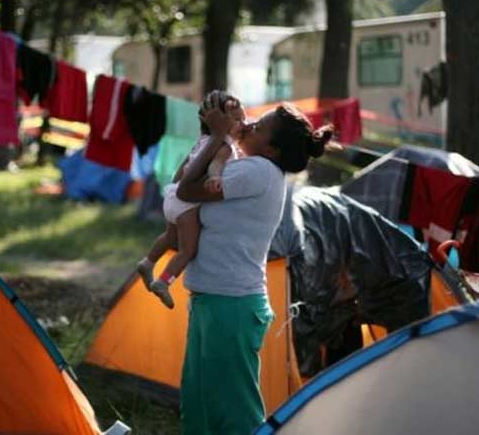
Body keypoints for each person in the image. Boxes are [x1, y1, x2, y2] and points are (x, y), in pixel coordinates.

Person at [176, 91, 334, 435]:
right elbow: (185, 178)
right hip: (212, 297)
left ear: (271, 149)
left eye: (258, 126)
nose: (247, 124)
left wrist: (220, 134)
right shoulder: (247, 166)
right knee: (199, 405)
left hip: (231, 304)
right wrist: (213, 132)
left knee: (234, 413)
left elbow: (187, 191)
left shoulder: (259, 171)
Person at [135, 91, 246, 308]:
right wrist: (215, 178)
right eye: (237, 120)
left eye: (243, 119)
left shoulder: (203, 141)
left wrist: (172, 191)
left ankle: (147, 262)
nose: (243, 124)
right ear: (220, 123)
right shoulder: (224, 146)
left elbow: (183, 169)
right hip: (187, 204)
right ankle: (164, 282)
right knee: (187, 250)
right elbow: (216, 165)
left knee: (169, 236)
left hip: (173, 195)